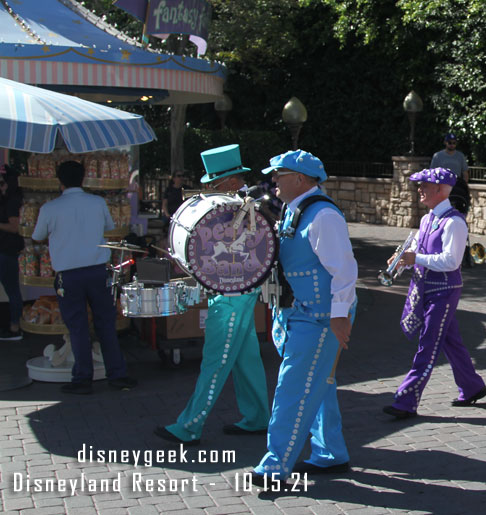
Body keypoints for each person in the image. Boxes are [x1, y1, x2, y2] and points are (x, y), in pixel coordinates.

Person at [154, 145, 270, 446]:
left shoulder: (243, 206)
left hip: (232, 293)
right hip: (237, 290)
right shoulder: (237, 204)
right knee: (246, 358)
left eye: (215, 183)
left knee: (215, 360)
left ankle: (189, 426)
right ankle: (257, 417)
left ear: (231, 181)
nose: (211, 188)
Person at [254, 149, 356, 480]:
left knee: (294, 386)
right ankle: (331, 451)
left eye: (278, 174)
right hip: (302, 313)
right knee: (319, 383)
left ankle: (276, 463)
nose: (273, 181)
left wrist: (339, 316)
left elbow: (344, 269)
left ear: (299, 179)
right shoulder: (296, 209)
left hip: (320, 317)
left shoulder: (323, 215)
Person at [383, 167, 486, 419]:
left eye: (425, 185)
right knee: (450, 341)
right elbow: (418, 249)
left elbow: (451, 262)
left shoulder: (454, 221)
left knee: (428, 344)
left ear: (440, 190)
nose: (420, 189)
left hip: (444, 291)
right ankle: (472, 386)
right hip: (427, 287)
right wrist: (402, 259)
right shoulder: (428, 218)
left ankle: (406, 400)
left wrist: (415, 257)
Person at [31, 160, 136, 393]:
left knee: (77, 326)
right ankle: (117, 375)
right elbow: (109, 226)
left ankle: (82, 379)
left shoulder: (50, 208)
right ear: (84, 177)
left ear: (59, 181)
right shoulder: (97, 202)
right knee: (105, 324)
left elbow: (38, 235)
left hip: (68, 274)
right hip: (98, 270)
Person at [0, 166, 25, 341]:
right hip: (7, 249)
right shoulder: (10, 200)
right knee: (12, 289)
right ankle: (14, 325)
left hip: (7, 250)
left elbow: (14, 227)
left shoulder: (11, 201)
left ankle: (15, 327)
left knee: (12, 290)